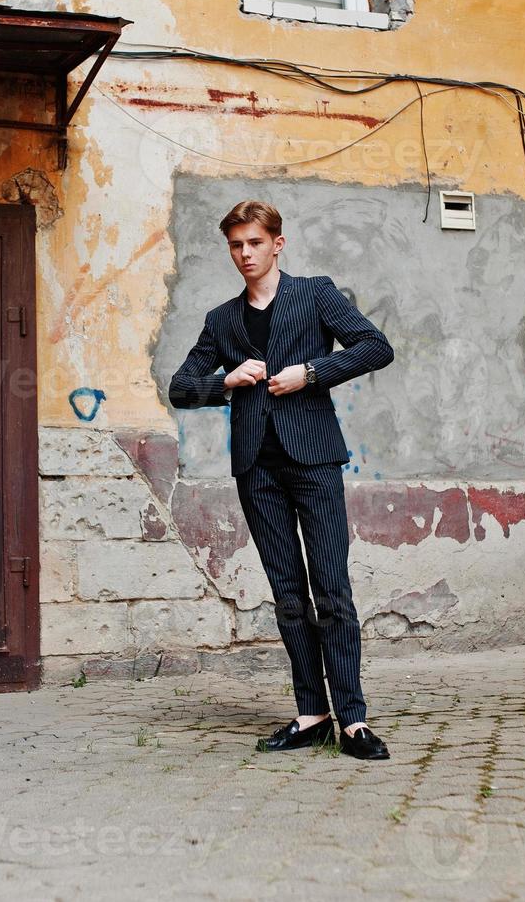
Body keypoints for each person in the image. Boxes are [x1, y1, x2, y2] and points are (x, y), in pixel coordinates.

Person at [168, 200, 395, 760]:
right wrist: (227, 381)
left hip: (314, 462)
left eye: (253, 243)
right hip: (257, 470)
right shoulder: (222, 320)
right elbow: (179, 387)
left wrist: (311, 373)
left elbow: (376, 347)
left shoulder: (314, 293)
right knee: (288, 595)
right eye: (235, 246)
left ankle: (353, 720)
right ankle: (311, 713)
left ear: (277, 243)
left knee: (332, 590)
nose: (245, 254)